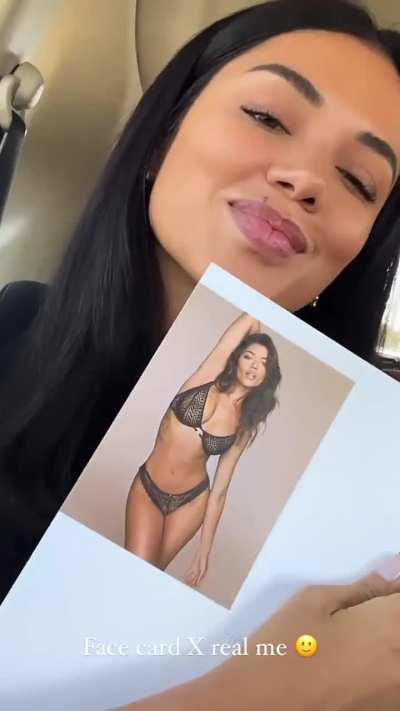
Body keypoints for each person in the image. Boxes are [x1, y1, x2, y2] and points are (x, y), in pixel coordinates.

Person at [1, 0, 400, 706]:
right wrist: (271, 690)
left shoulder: (368, 478)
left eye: (359, 181)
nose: (305, 180)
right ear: (160, 139)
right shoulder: (12, 332)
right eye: (267, 117)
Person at [124, 313, 281, 586]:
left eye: (264, 363)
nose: (255, 366)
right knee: (131, 572)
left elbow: (219, 491)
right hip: (148, 487)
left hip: (191, 502)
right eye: (248, 357)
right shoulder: (206, 376)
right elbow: (249, 318)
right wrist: (257, 336)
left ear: (268, 374)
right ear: (236, 358)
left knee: (146, 581)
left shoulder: (244, 425)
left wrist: (204, 552)